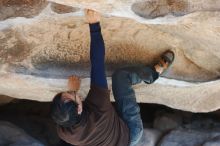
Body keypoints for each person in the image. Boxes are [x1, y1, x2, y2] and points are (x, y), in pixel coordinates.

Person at [50, 9, 174, 146]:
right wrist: (94, 25)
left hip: (109, 133)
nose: (68, 92)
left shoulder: (63, 128)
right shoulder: (99, 106)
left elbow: (71, 114)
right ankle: (154, 73)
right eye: (69, 94)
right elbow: (97, 63)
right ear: (79, 109)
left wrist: (73, 93)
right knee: (121, 77)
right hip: (129, 133)